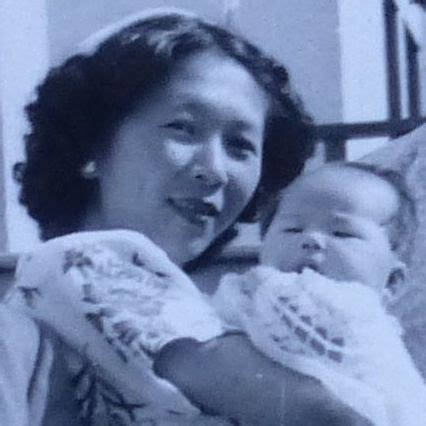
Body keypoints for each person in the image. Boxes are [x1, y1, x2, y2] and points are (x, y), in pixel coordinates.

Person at [1, 8, 371, 425]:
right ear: (90, 145)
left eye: (240, 146)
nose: (215, 170)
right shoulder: (82, 261)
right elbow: (291, 404)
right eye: (182, 128)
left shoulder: (185, 300)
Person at [214, 162, 426, 425]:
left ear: (391, 282)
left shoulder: (356, 317)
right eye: (292, 229)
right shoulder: (244, 289)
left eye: (342, 233)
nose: (311, 239)